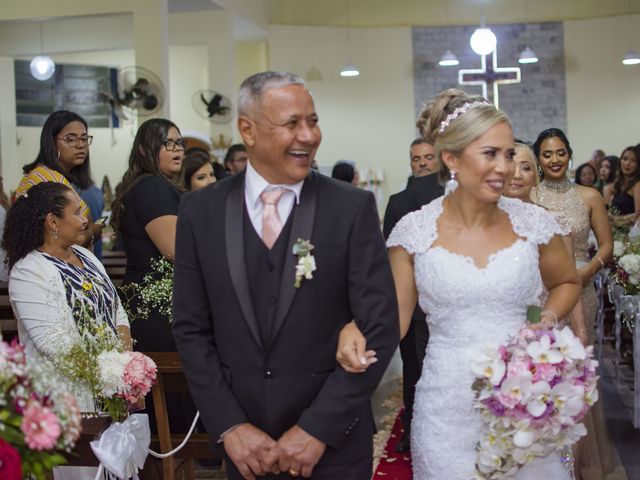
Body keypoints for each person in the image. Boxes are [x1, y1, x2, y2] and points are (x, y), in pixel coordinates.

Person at [338, 89, 581, 479]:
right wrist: (357, 330)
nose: (505, 167)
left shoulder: (533, 223)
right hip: (446, 405)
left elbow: (567, 281)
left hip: (522, 398)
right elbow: (394, 317)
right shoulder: (413, 233)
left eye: (509, 153)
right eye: (490, 154)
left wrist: (545, 320)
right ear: (450, 159)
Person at [171, 71, 399, 480]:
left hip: (334, 448)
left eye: (313, 121)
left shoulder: (351, 208)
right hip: (246, 450)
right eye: (292, 123)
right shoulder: (199, 212)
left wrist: (317, 428)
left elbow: (379, 325)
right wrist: (230, 425)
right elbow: (191, 328)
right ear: (248, 130)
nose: (309, 136)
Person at [3, 182, 132, 480]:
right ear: (52, 221)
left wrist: (127, 367)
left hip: (111, 388)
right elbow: (56, 345)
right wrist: (109, 378)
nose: (85, 218)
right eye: (76, 212)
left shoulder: (85, 256)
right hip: (68, 399)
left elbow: (117, 309)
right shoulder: (28, 272)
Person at [531, 128, 614, 480]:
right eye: (547, 154)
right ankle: (544, 461)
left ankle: (577, 463)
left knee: (576, 373)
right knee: (541, 369)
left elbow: (607, 246)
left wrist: (586, 272)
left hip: (582, 289)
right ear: (538, 158)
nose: (554, 160)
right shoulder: (528, 194)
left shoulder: (589, 195)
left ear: (569, 154)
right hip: (538, 294)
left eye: (560, 152)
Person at [380, 139, 442, 454]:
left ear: (440, 161)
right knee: (412, 369)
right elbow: (390, 253)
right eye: (416, 159)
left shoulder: (452, 197)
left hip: (444, 297)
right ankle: (411, 429)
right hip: (409, 299)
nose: (422, 163)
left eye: (428, 157)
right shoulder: (397, 201)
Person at [16, 110, 103, 249]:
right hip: (46, 267)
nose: (80, 145)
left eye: (84, 138)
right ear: (52, 143)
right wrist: (93, 232)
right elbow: (68, 241)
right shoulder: (44, 179)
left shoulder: (59, 177)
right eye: (71, 139)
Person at [604, 146, 640, 225]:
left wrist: (617, 219)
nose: (627, 163)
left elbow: (638, 215)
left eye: (633, 161)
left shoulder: (637, 185)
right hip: (616, 230)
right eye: (625, 159)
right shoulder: (617, 184)